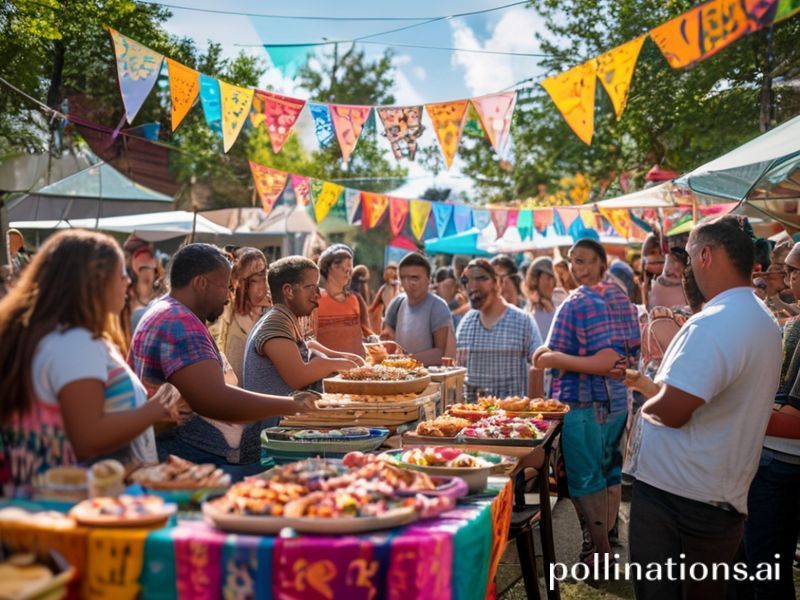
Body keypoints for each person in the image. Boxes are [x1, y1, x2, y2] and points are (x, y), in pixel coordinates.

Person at [624, 215, 782, 599]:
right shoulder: (761, 317)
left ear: (707, 255)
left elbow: (672, 411)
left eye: (690, 256)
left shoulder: (715, 322)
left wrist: (647, 405)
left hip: (677, 499)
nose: (685, 267)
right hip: (714, 496)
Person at [0, 230, 182, 498]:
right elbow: (87, 437)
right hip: (69, 511)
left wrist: (146, 414)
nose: (127, 282)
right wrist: (153, 410)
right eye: (121, 274)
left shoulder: (55, 336)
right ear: (94, 281)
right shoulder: (73, 342)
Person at [129, 243, 315, 473]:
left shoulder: (168, 310)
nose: (229, 297)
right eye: (226, 287)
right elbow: (215, 400)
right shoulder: (179, 322)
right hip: (191, 463)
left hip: (191, 454)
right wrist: (290, 405)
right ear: (200, 283)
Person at [534, 239, 639, 568]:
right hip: (617, 400)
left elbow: (605, 360)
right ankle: (604, 546)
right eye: (573, 261)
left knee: (585, 480)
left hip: (583, 403)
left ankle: (600, 550)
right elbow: (623, 356)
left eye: (585, 262)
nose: (578, 268)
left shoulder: (579, 301)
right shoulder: (620, 296)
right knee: (608, 476)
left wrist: (552, 358)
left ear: (601, 264)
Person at [740, 241, 800, 599]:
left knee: (763, 570)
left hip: (781, 463)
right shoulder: (793, 322)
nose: (786, 280)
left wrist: (733, 410)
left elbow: (793, 417)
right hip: (775, 460)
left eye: (792, 271)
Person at [243, 256, 362, 410]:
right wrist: (336, 364)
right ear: (289, 291)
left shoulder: (285, 318)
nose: (318, 294)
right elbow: (298, 377)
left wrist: (341, 357)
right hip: (269, 425)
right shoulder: (275, 322)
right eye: (311, 287)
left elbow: (307, 346)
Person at [457, 258, 543, 400]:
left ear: (498, 283)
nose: (472, 286)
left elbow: (538, 366)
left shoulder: (522, 321)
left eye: (480, 278)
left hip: (512, 417)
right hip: (474, 416)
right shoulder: (466, 324)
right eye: (467, 280)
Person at [382, 252, 454, 365]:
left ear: (428, 279)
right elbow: (387, 341)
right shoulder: (397, 303)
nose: (408, 283)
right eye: (403, 278)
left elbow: (441, 353)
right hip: (400, 376)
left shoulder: (438, 307)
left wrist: (405, 361)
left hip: (429, 378)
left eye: (414, 278)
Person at [214, 247, 272, 383]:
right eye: (253, 281)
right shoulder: (224, 311)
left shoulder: (270, 309)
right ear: (238, 282)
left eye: (263, 278)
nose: (261, 288)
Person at [314, 244, 374, 357]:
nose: (348, 272)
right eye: (342, 268)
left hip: (357, 369)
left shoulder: (355, 299)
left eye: (349, 268)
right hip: (326, 370)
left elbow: (367, 331)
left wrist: (376, 344)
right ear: (328, 268)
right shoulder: (314, 300)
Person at [524, 256, 567, 340]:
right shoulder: (529, 314)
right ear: (535, 280)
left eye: (553, 278)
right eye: (548, 278)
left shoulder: (561, 299)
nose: (552, 283)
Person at [434, 266, 468, 330]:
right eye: (446, 287)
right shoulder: (431, 304)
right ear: (437, 287)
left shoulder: (461, 304)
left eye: (452, 287)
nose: (449, 291)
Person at [368, 263, 400, 331]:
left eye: (393, 270)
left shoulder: (400, 286)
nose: (391, 272)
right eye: (390, 270)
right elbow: (372, 308)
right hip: (389, 321)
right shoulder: (383, 288)